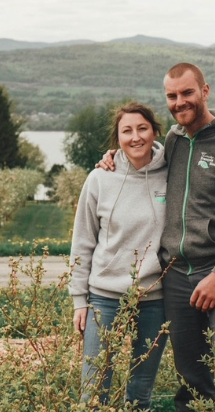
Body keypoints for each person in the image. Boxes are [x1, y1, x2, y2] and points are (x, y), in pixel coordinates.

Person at [101, 63, 215, 411]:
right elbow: (141, 157)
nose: (180, 102)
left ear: (205, 91)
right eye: (172, 96)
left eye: (187, 93)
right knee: (191, 381)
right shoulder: (175, 142)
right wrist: (112, 159)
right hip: (177, 276)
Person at [69, 102, 169, 410]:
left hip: (155, 297)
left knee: (140, 392)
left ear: (154, 132)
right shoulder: (100, 178)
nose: (135, 137)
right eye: (127, 130)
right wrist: (79, 300)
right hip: (105, 297)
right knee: (94, 388)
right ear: (117, 138)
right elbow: (83, 241)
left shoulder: (174, 173)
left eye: (142, 128)